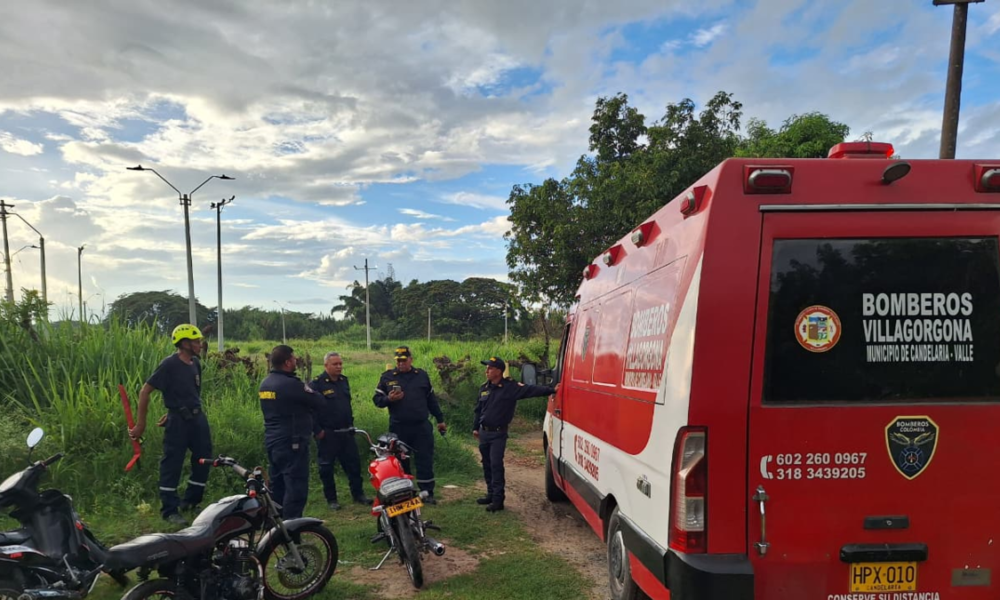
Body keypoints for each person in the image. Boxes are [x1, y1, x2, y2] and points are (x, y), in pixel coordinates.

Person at [129, 324, 213, 526]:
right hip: (178, 423)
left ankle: (191, 502)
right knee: (172, 462)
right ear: (184, 343)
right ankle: (169, 509)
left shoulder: (195, 363)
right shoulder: (169, 365)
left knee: (204, 458)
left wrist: (177, 410)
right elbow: (145, 392)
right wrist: (141, 424)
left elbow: (190, 392)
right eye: (195, 341)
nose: (200, 344)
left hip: (197, 418)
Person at [473, 356, 558, 512]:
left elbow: (531, 390)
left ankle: (498, 501)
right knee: (486, 464)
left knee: (496, 465)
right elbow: (478, 410)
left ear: (499, 371)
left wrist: (552, 389)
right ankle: (490, 494)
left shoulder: (509, 387)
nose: (487, 371)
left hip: (498, 434)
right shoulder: (484, 388)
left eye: (490, 368)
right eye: (487, 368)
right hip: (484, 432)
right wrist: (475, 427)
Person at [373, 346, 447, 504]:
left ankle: (427, 493)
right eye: (398, 361)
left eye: (404, 360)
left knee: (424, 460)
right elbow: (377, 401)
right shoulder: (387, 377)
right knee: (400, 462)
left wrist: (440, 420)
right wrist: (389, 399)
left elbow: (431, 400)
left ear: (410, 360)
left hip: (421, 427)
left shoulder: (421, 375)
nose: (401, 364)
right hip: (399, 428)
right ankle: (404, 493)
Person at [259, 344, 324, 520]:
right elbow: (318, 401)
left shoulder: (265, 383)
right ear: (287, 362)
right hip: (292, 444)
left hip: (273, 442)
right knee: (296, 489)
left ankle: (275, 525)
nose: (296, 361)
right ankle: (292, 533)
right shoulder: (291, 384)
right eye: (294, 358)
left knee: (277, 487)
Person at [310, 351, 372, 509]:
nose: (339, 367)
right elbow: (310, 411)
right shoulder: (317, 384)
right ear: (326, 366)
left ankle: (358, 495)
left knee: (354, 466)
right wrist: (317, 431)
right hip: (328, 434)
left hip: (346, 432)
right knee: (326, 469)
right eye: (335, 364)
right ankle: (332, 500)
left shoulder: (344, 381)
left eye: (340, 364)